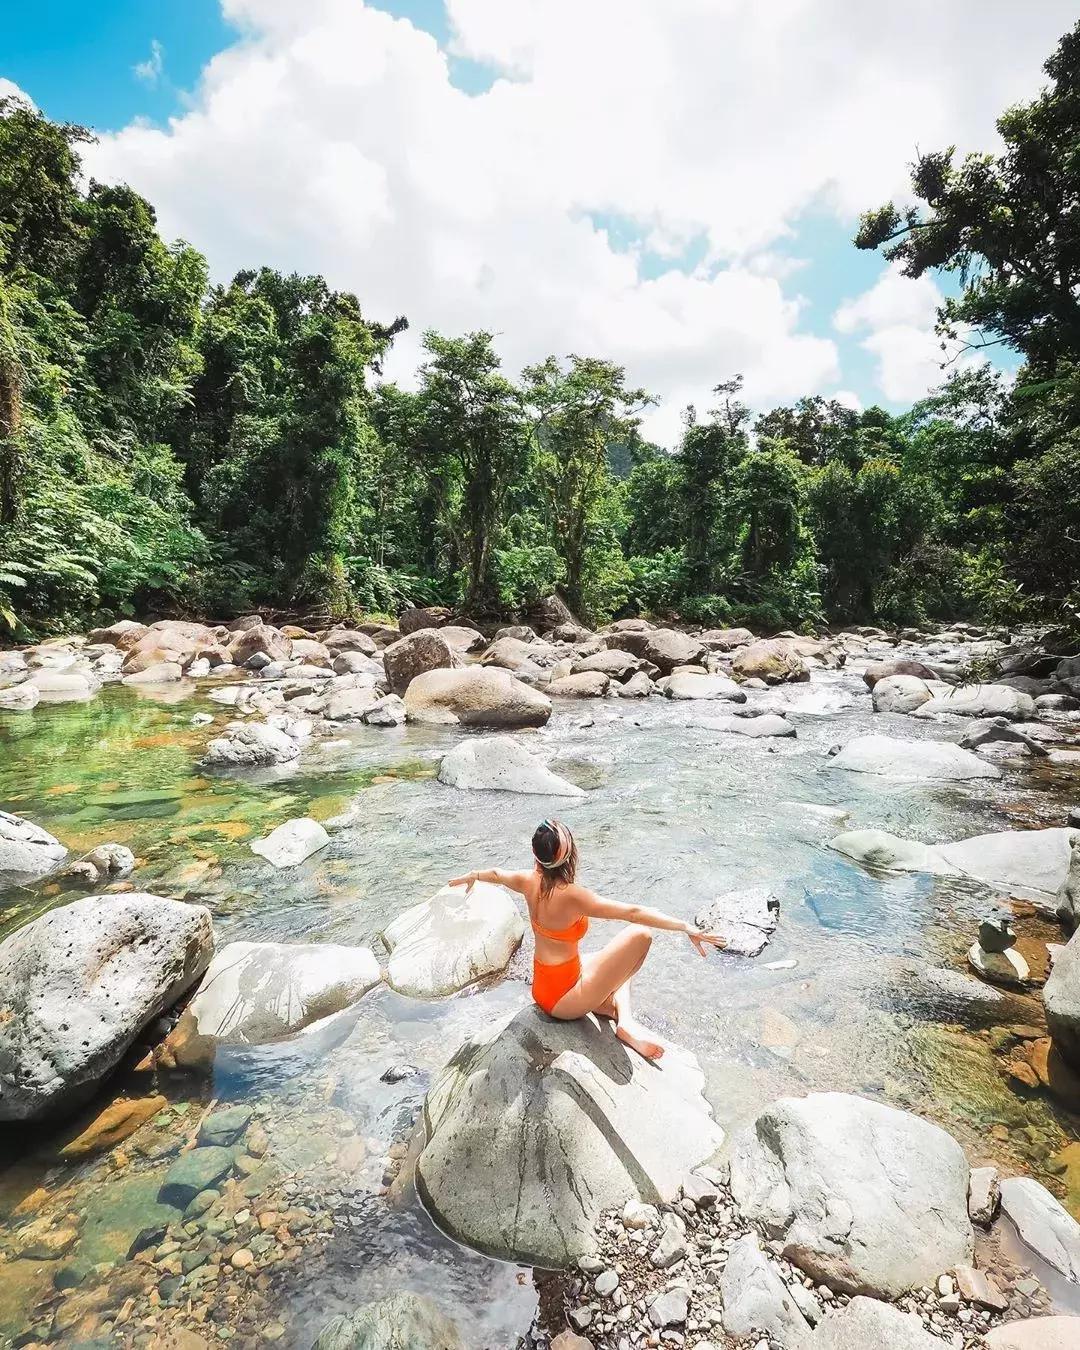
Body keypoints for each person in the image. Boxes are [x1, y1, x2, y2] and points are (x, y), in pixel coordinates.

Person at [449, 818, 727, 1061]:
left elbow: (497, 875)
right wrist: (685, 927)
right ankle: (625, 1023)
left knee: (617, 966)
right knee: (640, 936)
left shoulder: (528, 881)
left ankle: (618, 1013)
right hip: (565, 1000)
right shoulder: (573, 896)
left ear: (537, 857)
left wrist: (473, 875)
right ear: (570, 857)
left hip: (543, 987)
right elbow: (633, 913)